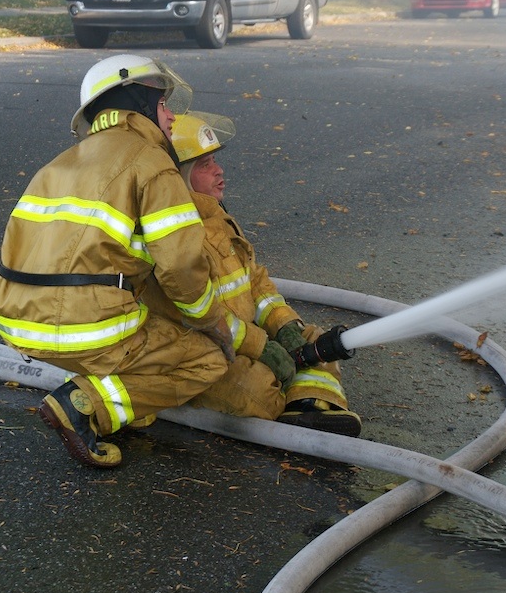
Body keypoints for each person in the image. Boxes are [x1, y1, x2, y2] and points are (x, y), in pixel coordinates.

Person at [0, 56, 234, 469]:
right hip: (84, 327)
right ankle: (85, 404)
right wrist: (213, 322)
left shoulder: (59, 163)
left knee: (141, 330)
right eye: (162, 104)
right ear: (138, 103)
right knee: (205, 358)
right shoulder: (152, 163)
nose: (172, 117)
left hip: (13, 321)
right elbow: (181, 268)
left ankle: (124, 403)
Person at [143, 111, 361, 436]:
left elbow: (255, 282)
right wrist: (261, 348)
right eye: (204, 165)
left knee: (316, 340)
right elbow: (196, 317)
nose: (219, 171)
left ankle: (312, 408)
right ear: (177, 178)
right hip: (202, 352)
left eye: (215, 160)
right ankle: (293, 404)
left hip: (245, 339)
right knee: (257, 388)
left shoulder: (218, 219)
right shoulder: (173, 238)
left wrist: (284, 327)